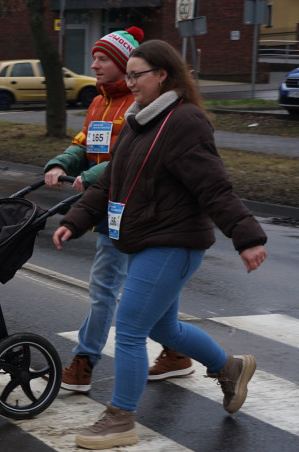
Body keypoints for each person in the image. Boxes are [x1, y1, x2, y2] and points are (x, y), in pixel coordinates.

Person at [52, 39, 268, 450]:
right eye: (128, 74)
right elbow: (112, 180)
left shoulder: (184, 122)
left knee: (131, 330)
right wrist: (76, 220)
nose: (129, 82)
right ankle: (231, 367)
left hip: (173, 242)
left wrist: (247, 236)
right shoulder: (141, 121)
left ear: (163, 75)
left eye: (137, 75)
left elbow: (213, 186)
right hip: (146, 239)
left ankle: (120, 419)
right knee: (161, 327)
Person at [44, 27, 194, 394]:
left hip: (130, 205)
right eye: (94, 58)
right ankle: (175, 351)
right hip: (108, 205)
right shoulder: (98, 102)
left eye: (102, 59)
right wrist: (62, 163)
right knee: (153, 283)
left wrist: (93, 177)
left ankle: (85, 360)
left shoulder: (140, 103)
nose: (93, 64)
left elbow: (128, 155)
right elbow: (84, 144)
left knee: (104, 286)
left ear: (126, 64)